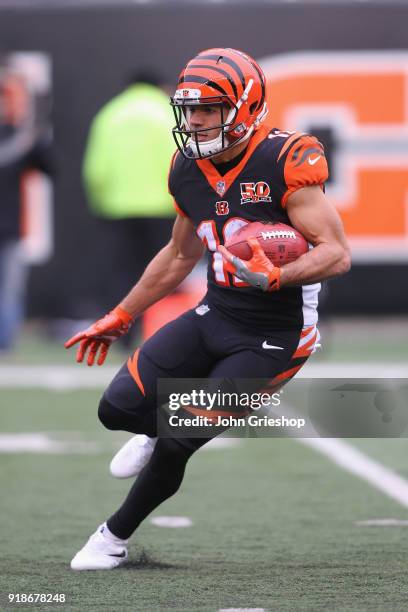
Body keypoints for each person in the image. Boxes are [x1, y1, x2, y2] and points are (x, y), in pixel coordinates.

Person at [65, 48, 351, 570]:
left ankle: (111, 538)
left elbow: (336, 253)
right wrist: (122, 313)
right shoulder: (187, 166)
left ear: (244, 108)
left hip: (278, 333)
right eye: (189, 109)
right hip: (217, 311)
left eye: (209, 110)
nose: (194, 121)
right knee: (116, 409)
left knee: (180, 437)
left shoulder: (285, 158)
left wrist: (279, 275)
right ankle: (151, 433)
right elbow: (180, 253)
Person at [82, 70, 176, 325]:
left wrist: (101, 202)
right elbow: (179, 161)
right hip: (161, 207)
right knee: (165, 272)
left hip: (117, 208)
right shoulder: (165, 112)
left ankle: (120, 330)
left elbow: (95, 170)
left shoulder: (110, 114)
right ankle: (159, 330)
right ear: (160, 86)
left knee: (121, 273)